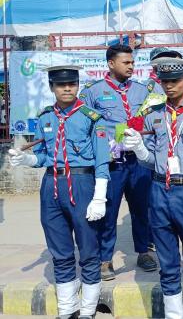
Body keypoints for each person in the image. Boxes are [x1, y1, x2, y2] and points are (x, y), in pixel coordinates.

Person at [9, 65, 110, 319]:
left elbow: (101, 160)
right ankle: (67, 309)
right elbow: (43, 156)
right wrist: (25, 160)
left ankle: (88, 310)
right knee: (60, 250)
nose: (67, 89)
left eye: (72, 84)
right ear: (52, 87)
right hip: (51, 184)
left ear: (77, 86)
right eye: (61, 85)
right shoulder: (45, 118)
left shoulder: (92, 117)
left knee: (88, 249)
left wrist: (99, 196)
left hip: (82, 183)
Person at [122, 57, 183, 319]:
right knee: (167, 264)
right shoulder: (154, 114)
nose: (169, 86)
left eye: (174, 81)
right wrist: (139, 148)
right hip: (159, 191)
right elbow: (150, 160)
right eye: (164, 81)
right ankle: (174, 315)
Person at [79, 45, 158, 280]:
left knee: (142, 209)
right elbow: (85, 127)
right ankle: (105, 259)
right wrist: (102, 151)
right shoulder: (93, 92)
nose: (131, 66)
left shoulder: (142, 91)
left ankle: (144, 252)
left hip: (138, 162)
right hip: (112, 163)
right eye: (126, 62)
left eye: (132, 62)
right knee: (109, 211)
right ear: (111, 64)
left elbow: (151, 123)